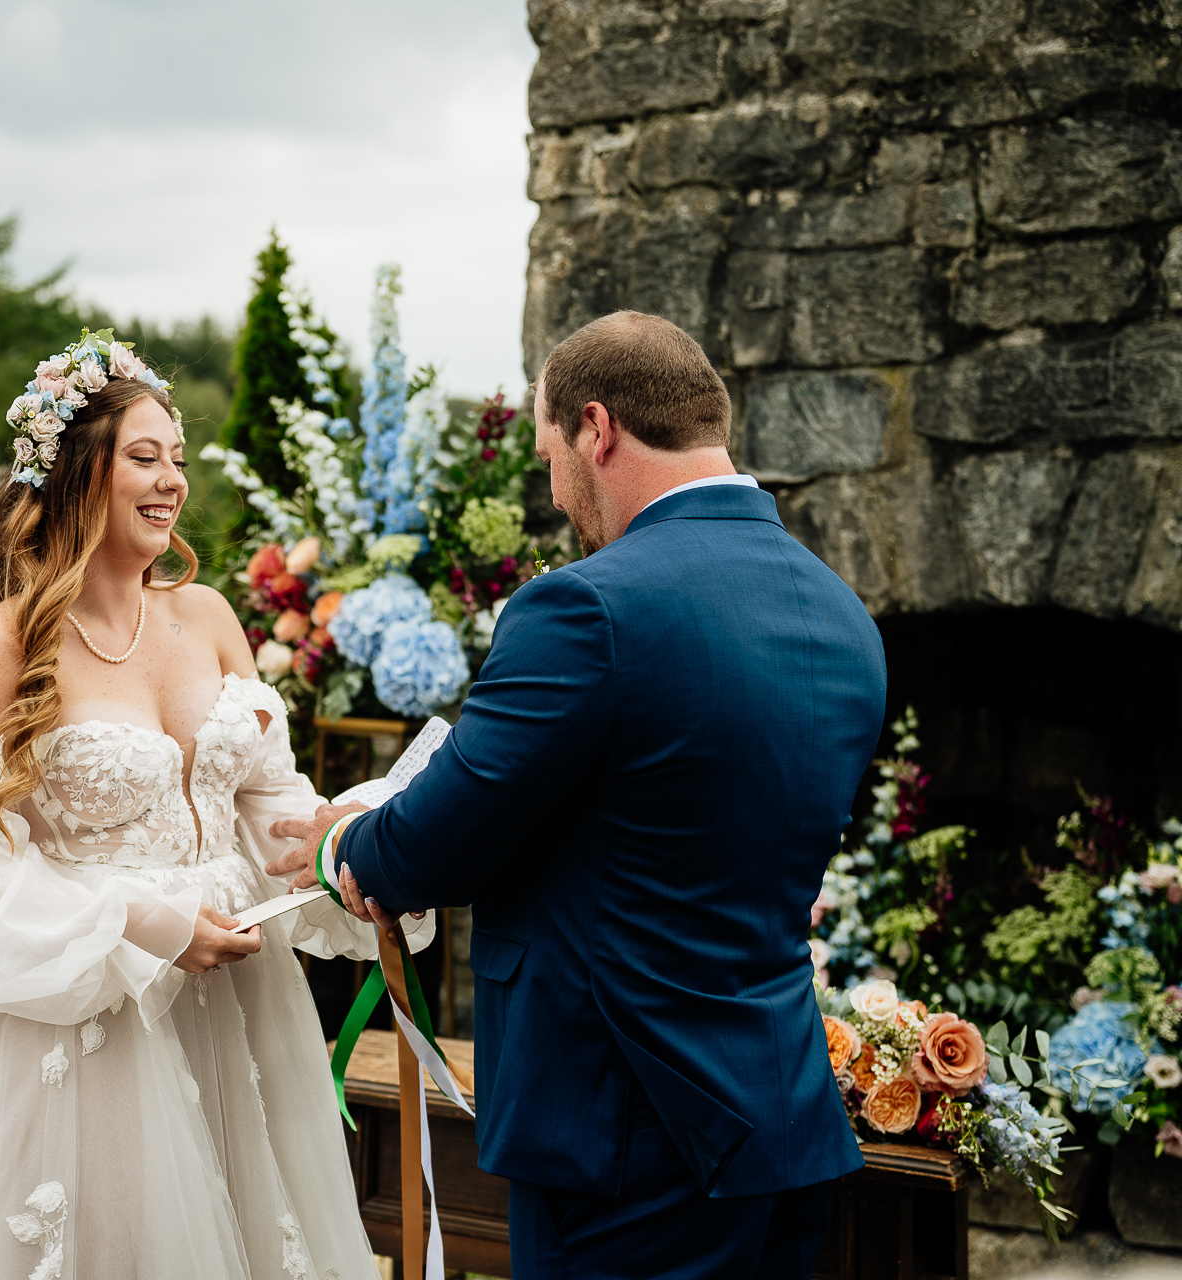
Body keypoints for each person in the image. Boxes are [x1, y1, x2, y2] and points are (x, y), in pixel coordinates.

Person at [0, 330, 432, 1280]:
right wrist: (137, 919)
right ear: (80, 472)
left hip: (239, 1013)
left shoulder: (207, 616)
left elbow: (270, 808)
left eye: (177, 459)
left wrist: (366, 841)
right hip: (84, 1030)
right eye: (143, 458)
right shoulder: (0, 647)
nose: (170, 481)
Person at [268, 312, 887, 1279]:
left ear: (595, 430)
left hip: (622, 1140)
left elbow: (439, 844)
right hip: (780, 1117)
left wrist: (340, 841)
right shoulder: (841, 614)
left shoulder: (586, 606)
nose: (558, 492)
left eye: (551, 452)